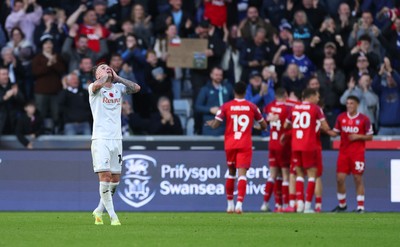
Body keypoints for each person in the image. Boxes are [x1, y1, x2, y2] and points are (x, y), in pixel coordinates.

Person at [89, 63, 141, 225]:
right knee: (105, 176)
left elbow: (136, 88)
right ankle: (113, 216)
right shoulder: (94, 88)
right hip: (101, 138)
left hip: (116, 139)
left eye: (108, 66)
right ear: (97, 75)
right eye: (102, 68)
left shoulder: (118, 87)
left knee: (115, 178)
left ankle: (99, 210)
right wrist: (105, 76)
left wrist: (117, 77)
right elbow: (98, 84)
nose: (107, 68)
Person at [206, 82, 267, 214]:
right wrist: (257, 126)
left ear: (234, 92)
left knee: (231, 173)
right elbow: (264, 125)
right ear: (245, 92)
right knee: (242, 176)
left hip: (230, 144)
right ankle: (239, 205)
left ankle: (229, 205)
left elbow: (216, 125)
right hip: (245, 144)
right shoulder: (252, 106)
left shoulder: (226, 106)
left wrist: (211, 123)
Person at [284, 88, 335, 213]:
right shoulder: (316, 109)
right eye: (316, 97)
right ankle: (307, 206)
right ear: (311, 97)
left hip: (296, 145)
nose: (318, 99)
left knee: (299, 175)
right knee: (312, 176)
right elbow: (326, 127)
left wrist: (297, 126)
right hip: (309, 145)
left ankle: (299, 204)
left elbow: (285, 125)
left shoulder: (294, 108)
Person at [331, 95, 373, 213]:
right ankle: (342, 205)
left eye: (351, 103)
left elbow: (370, 137)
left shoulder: (364, 119)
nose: (349, 105)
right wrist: (322, 129)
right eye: (348, 103)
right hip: (344, 153)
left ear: (357, 105)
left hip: (357, 153)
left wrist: (358, 136)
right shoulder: (341, 117)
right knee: (340, 179)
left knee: (358, 178)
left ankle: (360, 206)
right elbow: (335, 132)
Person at [261, 88, 290, 212]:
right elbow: (288, 125)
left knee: (273, 175)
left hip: (272, 143)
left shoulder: (269, 106)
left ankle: (267, 204)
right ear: (285, 95)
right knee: (285, 176)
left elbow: (266, 116)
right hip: (282, 144)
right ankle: (285, 205)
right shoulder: (287, 108)